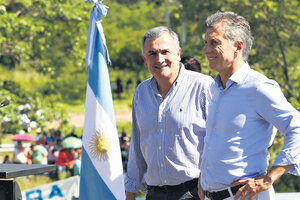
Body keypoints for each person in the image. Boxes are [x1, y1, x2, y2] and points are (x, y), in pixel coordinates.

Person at [198, 11, 300, 200]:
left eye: (214, 43)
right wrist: (205, 177)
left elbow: (297, 127)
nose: (206, 50)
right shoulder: (214, 88)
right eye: (206, 43)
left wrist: (269, 179)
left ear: (238, 46)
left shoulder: (259, 87)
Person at [125, 26, 213, 200]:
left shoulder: (203, 86)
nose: (160, 59)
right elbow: (136, 146)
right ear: (145, 60)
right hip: (154, 193)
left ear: (178, 53)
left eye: (165, 52)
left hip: (195, 192)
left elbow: (218, 139)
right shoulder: (141, 93)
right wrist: (130, 192)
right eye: (152, 54)